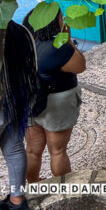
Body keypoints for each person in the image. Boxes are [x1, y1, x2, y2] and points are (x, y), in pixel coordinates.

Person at [24, 11, 85, 183]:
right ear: (52, 23)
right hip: (56, 102)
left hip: (30, 101)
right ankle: (63, 190)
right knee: (57, 151)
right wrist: (68, 41)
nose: (62, 20)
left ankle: (34, 184)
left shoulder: (24, 43)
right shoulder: (59, 46)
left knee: (32, 150)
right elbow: (80, 65)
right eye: (60, 18)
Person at [2, 21, 46, 210]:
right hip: (12, 106)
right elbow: (31, 72)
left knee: (15, 151)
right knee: (14, 150)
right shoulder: (19, 31)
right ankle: (17, 200)